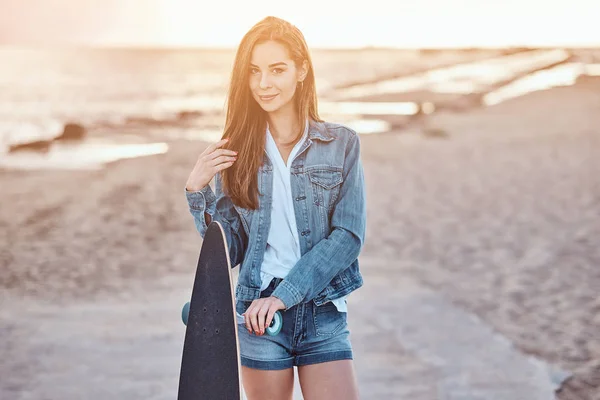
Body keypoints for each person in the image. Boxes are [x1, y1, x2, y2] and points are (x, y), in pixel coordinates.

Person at [184, 15, 366, 400]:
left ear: (301, 70)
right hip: (257, 318)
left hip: (322, 311)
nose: (264, 84)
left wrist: (286, 294)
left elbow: (348, 237)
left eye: (277, 70)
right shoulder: (236, 152)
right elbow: (229, 248)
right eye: (254, 72)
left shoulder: (343, 144)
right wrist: (197, 191)